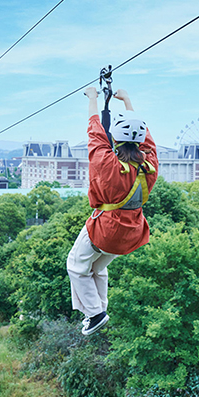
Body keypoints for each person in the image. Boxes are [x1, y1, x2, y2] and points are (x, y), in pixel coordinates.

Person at [67, 87, 158, 335]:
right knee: (97, 268)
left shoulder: (109, 165)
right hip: (132, 232)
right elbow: (145, 138)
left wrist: (93, 99)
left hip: (107, 229)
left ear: (115, 138)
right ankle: (98, 311)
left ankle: (95, 313)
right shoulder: (150, 165)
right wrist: (128, 100)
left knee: (76, 266)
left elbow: (96, 134)